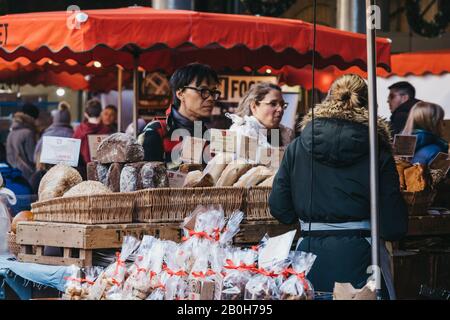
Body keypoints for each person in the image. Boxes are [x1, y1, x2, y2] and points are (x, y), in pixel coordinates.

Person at [269, 74, 408, 298]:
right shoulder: (377, 149)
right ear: (368, 104)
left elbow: (280, 209)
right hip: (363, 259)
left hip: (309, 259)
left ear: (328, 99)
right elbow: (394, 226)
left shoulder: (297, 146)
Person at [138, 63, 220, 164]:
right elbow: (144, 176)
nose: (211, 98)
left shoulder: (206, 135)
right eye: (203, 90)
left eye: (213, 92)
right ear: (180, 93)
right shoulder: (157, 130)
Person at [227, 82, 294, 147]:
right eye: (273, 104)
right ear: (254, 106)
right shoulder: (242, 132)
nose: (280, 109)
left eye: (282, 105)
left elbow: (274, 157)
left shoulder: (279, 133)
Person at [73, 99, 112, 176]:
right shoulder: (107, 131)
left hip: (83, 171)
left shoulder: (79, 130)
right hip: (103, 170)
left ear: (85, 114)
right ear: (101, 113)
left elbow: (73, 152)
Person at [6, 103, 40, 183]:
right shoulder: (28, 133)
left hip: (13, 172)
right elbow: (32, 157)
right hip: (27, 174)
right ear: (32, 118)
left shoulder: (11, 132)